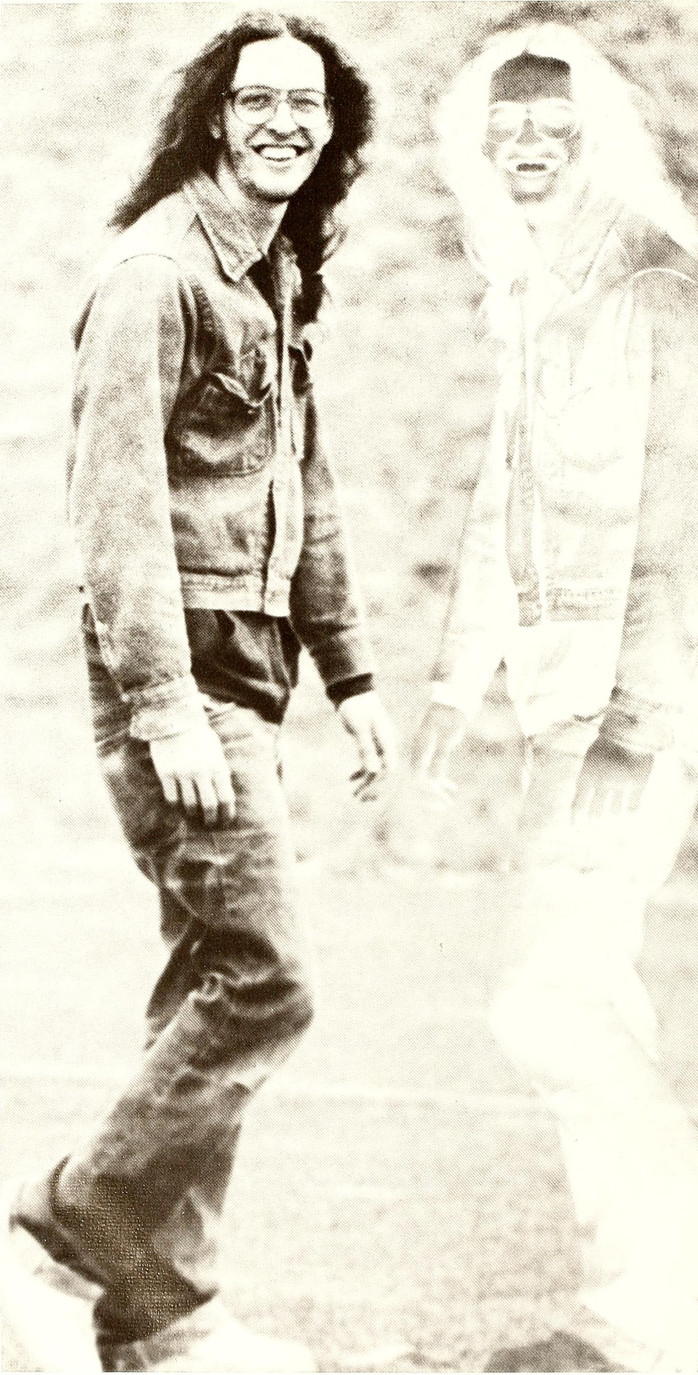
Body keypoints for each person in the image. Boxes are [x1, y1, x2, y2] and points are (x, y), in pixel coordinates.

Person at [2, 10, 396, 1373]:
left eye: (308, 103)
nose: (285, 122)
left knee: (207, 983)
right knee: (269, 980)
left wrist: (350, 673)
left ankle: (161, 1319)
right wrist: (167, 707)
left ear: (332, 129)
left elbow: (304, 486)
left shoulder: (274, 271)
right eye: (258, 99)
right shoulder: (154, 278)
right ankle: (58, 1236)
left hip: (254, 672)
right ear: (215, 119)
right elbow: (111, 511)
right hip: (178, 681)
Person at [414, 18, 698, 1374]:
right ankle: (640, 1315)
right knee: (589, 997)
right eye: (504, 124)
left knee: (542, 1005)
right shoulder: (536, 297)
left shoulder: (656, 296)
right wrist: (451, 696)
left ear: (601, 137)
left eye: (553, 122)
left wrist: (632, 724)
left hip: (631, 712)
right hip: (552, 713)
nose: (527, 143)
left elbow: (691, 532)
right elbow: (501, 509)